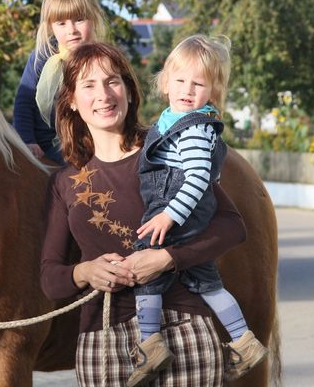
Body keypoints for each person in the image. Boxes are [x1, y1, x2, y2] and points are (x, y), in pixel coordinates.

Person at [40, 42, 247, 387]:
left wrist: (168, 257)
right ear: (72, 101)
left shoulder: (166, 147)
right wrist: (86, 271)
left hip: (183, 328)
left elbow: (232, 227)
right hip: (103, 340)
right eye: (89, 85)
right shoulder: (63, 182)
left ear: (128, 90)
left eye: (112, 81)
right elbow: (50, 280)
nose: (104, 95)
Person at [131, 35, 267, 385]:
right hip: (188, 212)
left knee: (147, 271)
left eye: (198, 83)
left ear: (213, 89)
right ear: (165, 82)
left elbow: (196, 179)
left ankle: (150, 344)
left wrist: (168, 215)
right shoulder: (175, 118)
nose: (187, 89)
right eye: (179, 80)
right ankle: (242, 339)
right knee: (207, 282)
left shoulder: (191, 129)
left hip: (177, 208)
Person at [13, 0, 108, 164]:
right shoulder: (42, 56)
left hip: (88, 144)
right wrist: (27, 140)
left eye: (79, 20)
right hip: (45, 143)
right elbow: (24, 102)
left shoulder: (103, 59)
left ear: (93, 17)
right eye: (61, 23)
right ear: (51, 26)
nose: (71, 30)